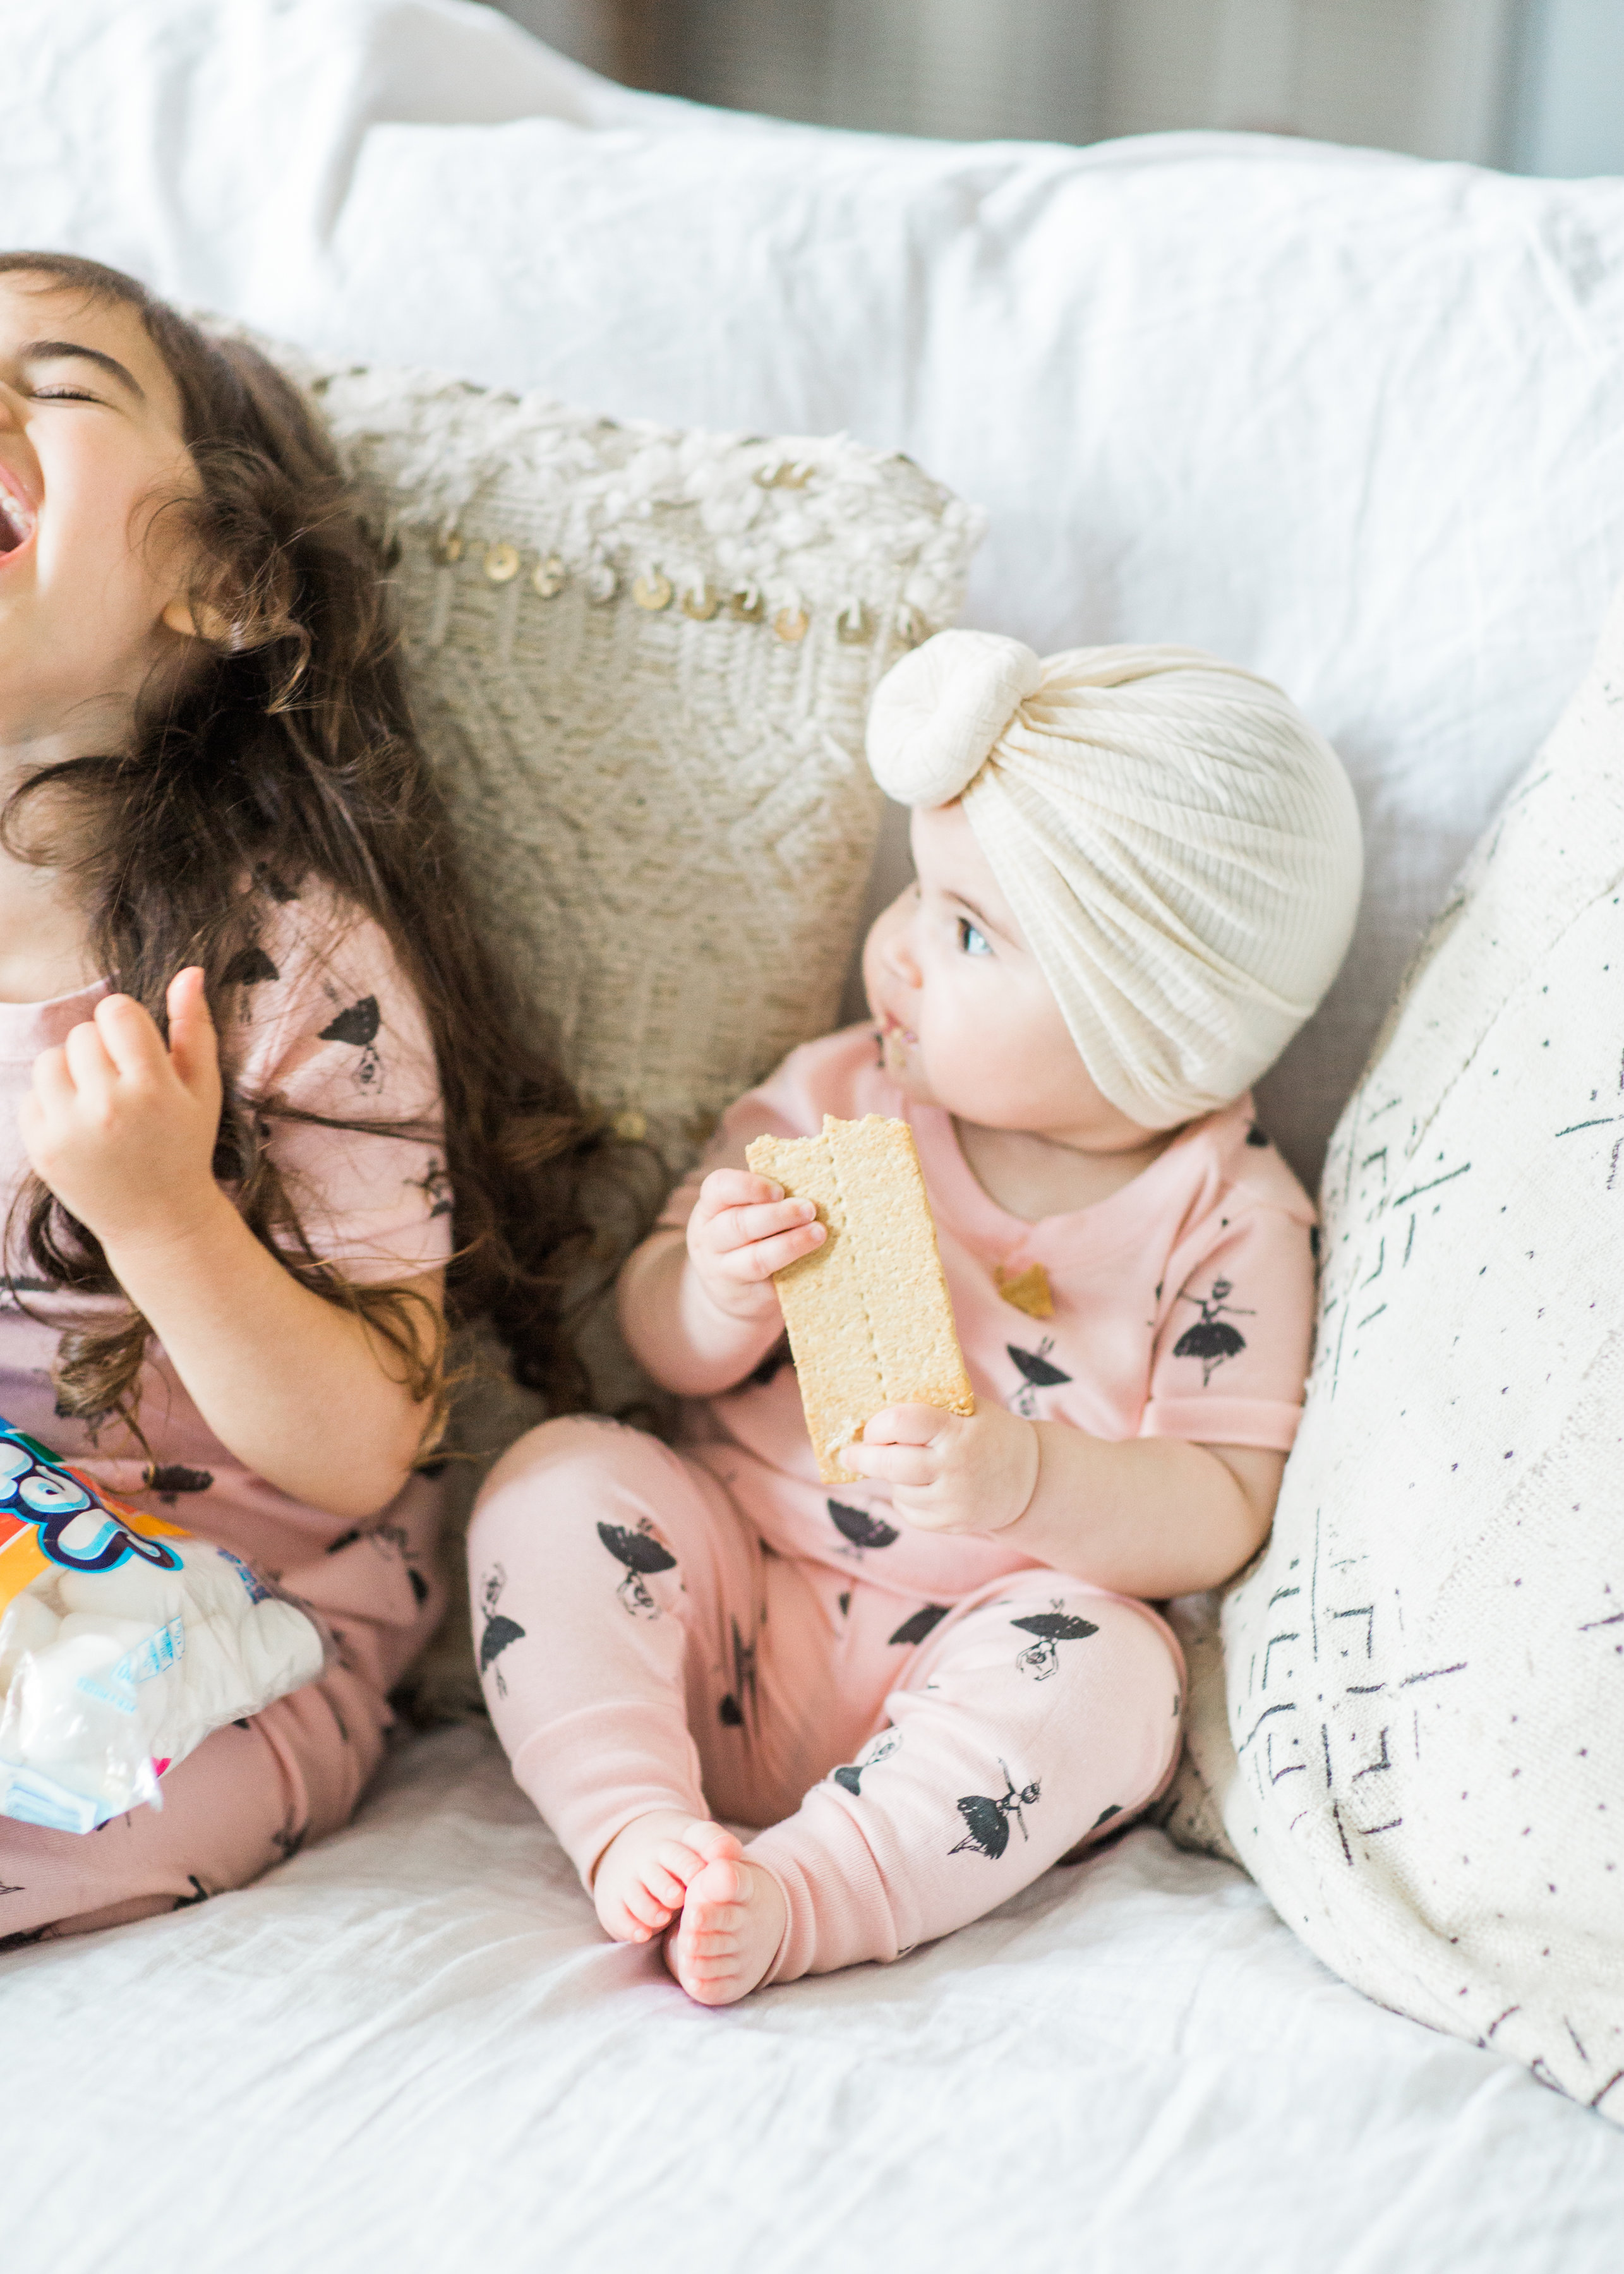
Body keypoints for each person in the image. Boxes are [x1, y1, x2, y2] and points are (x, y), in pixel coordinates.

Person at [471, 627, 1362, 2004]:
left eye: (961, 930)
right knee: (560, 1474)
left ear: (1147, 1026)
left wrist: (1024, 1480)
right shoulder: (839, 1095)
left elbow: (1222, 1503)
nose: (894, 955)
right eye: (916, 891)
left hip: (979, 1666)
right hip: (722, 1595)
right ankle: (630, 1817)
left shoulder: (1229, 1218)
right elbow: (658, 1342)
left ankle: (807, 1893)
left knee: (1120, 1675)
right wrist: (711, 1287)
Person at [0, 253, 589, 1943]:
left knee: (128, 1790)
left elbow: (355, 1452)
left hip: (232, 1613)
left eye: (57, 384)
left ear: (214, 579)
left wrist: (164, 1213)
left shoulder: (280, 962)